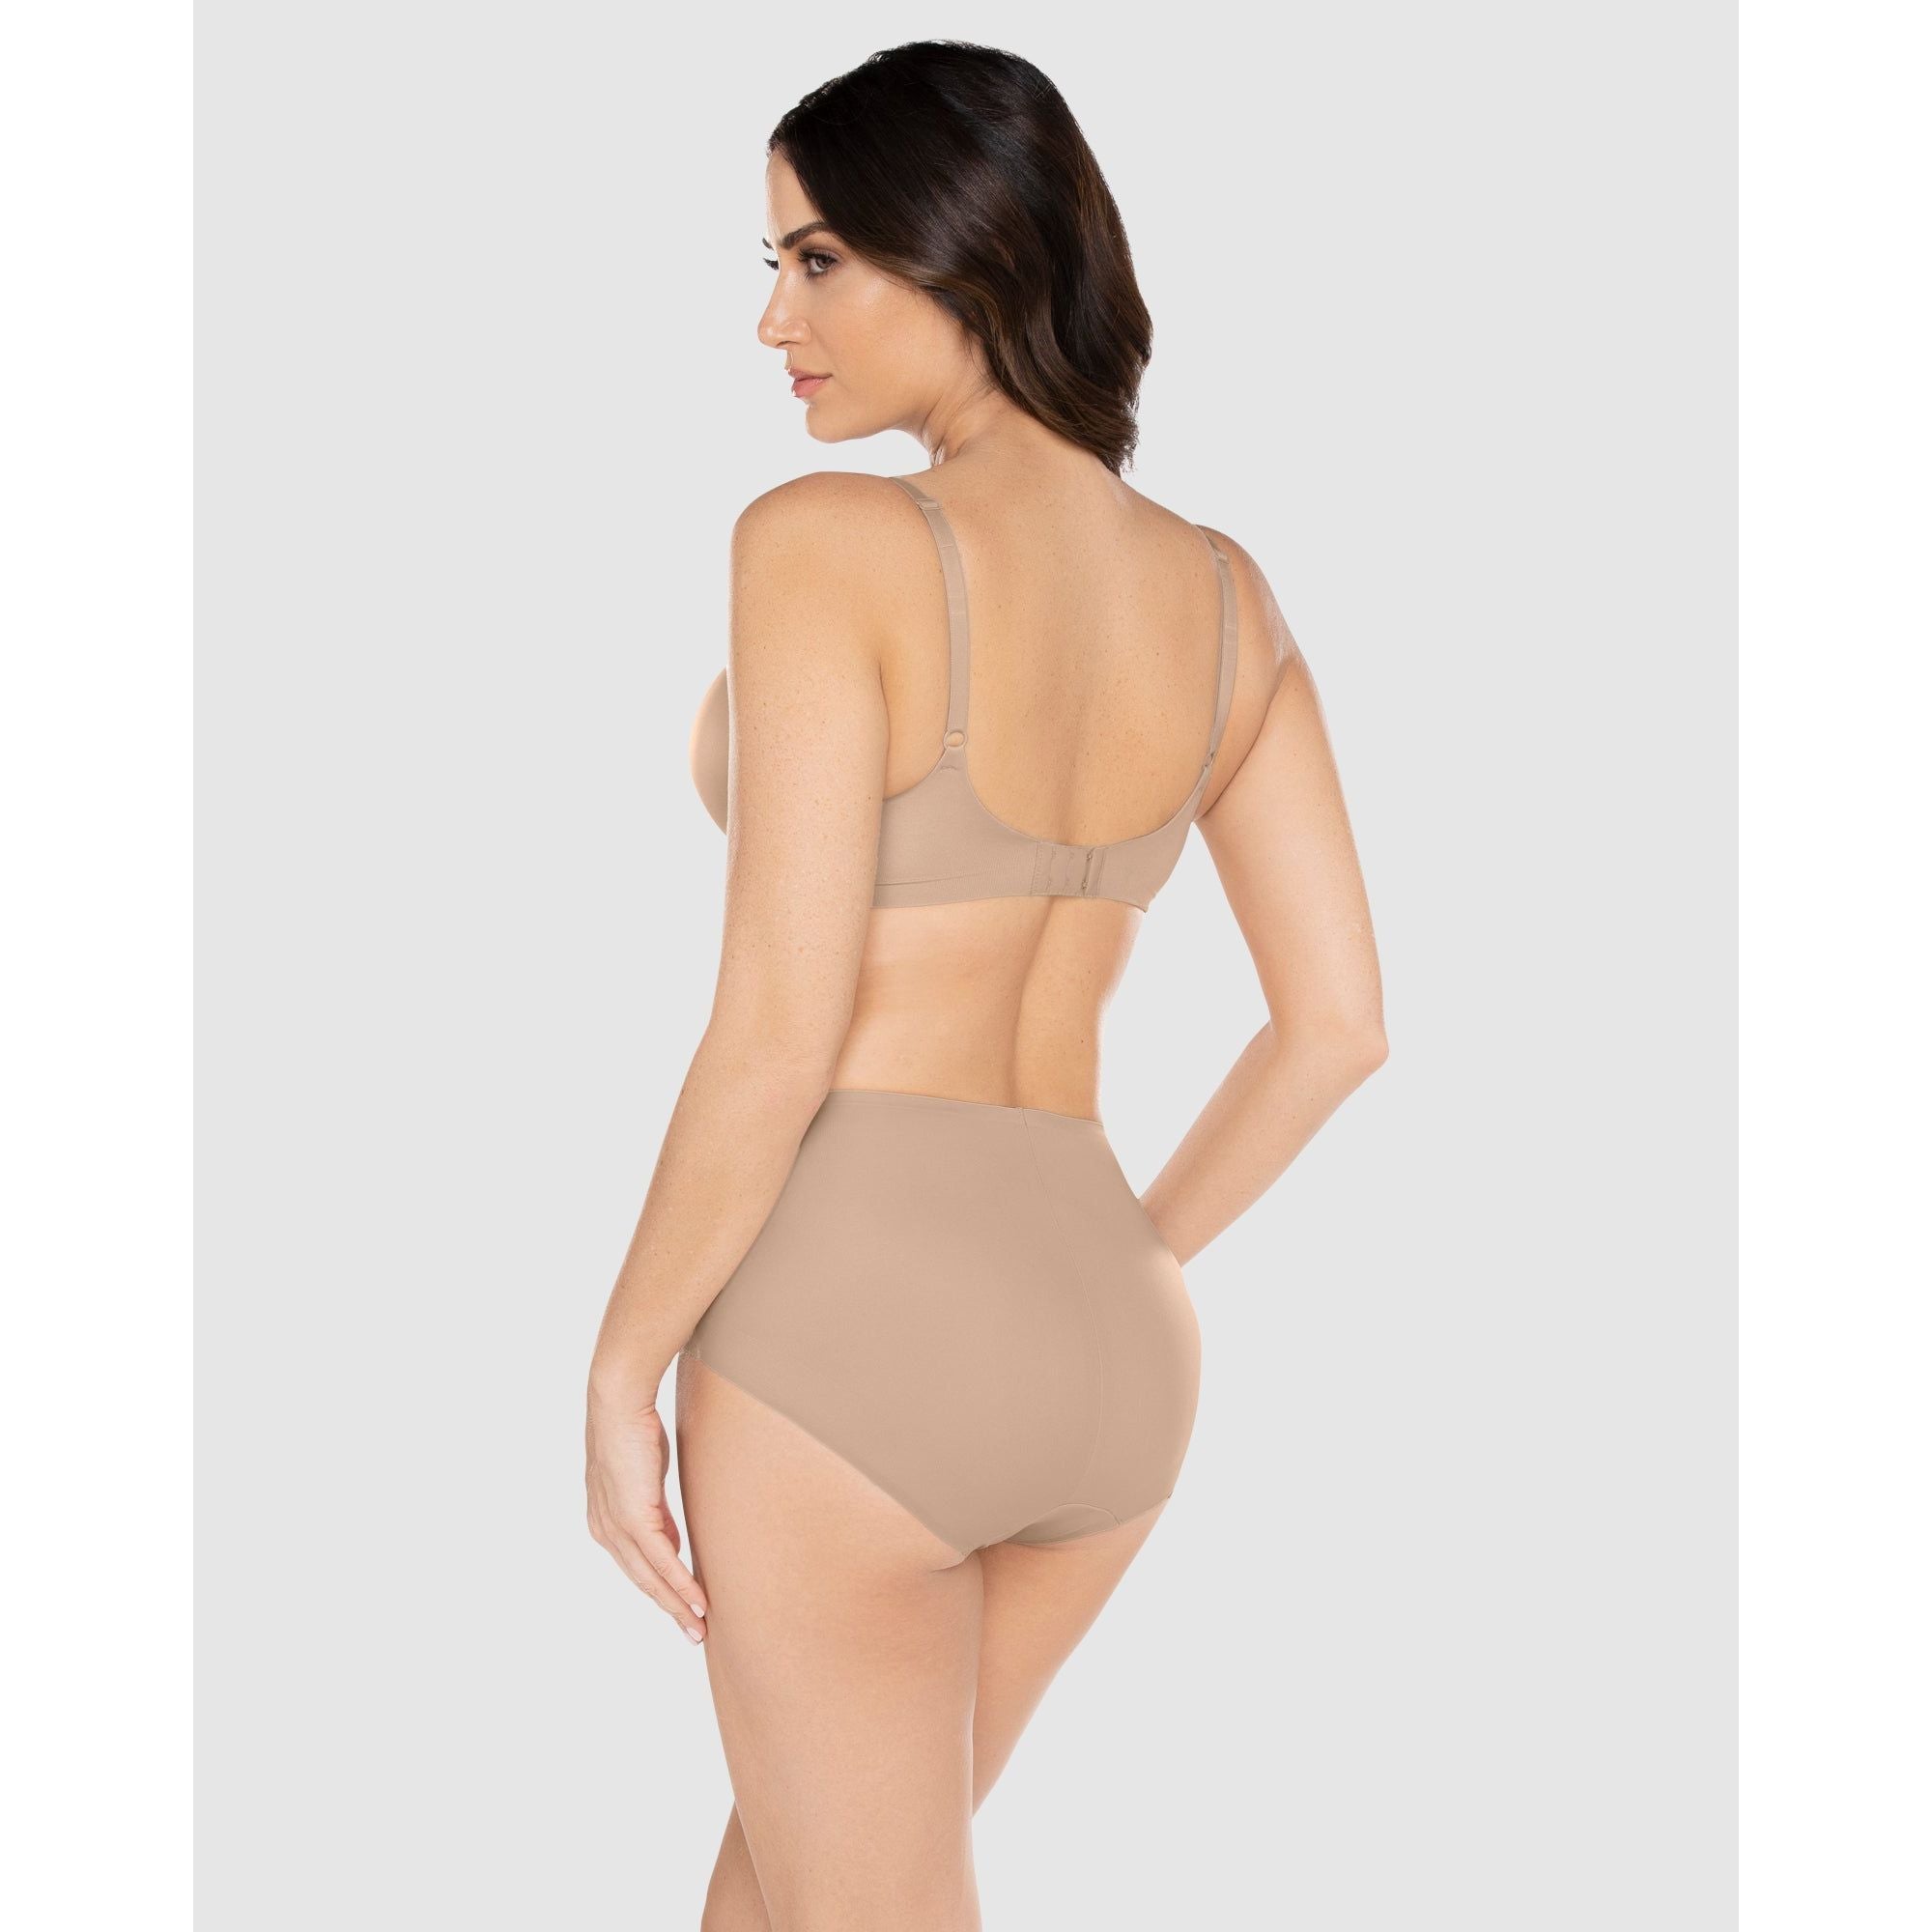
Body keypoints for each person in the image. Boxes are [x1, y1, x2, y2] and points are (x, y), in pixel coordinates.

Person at [585, 40, 1387, 1930]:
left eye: (817, 261)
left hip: (847, 1330)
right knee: (782, 1900)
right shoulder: (1227, 597)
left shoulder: (824, 547)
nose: (772, 319)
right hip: (1110, 1342)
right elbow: (1339, 1024)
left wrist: (622, 1363)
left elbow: (778, 1030)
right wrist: (1116, 1260)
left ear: (967, 251)